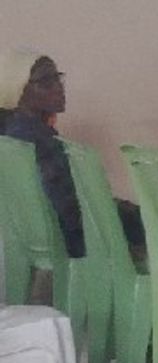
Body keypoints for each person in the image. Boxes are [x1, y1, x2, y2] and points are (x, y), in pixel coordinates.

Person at [0, 48, 143, 257]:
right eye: (45, 82)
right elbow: (68, 211)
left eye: (57, 78)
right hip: (73, 247)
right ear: (18, 90)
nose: (58, 87)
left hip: (38, 247)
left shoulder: (13, 135)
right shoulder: (37, 141)